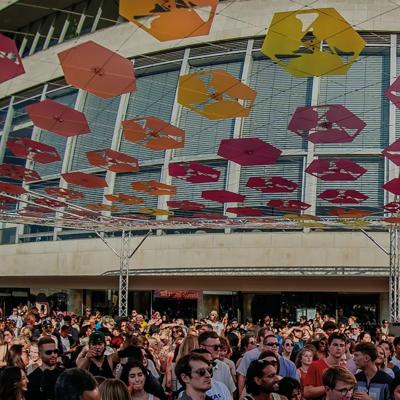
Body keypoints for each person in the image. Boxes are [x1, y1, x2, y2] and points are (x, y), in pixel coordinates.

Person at [303, 333, 347, 400]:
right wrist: (331, 387)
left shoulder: (344, 370)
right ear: (329, 347)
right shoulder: (315, 365)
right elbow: (306, 392)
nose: (338, 348)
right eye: (335, 345)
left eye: (341, 345)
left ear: (345, 349)